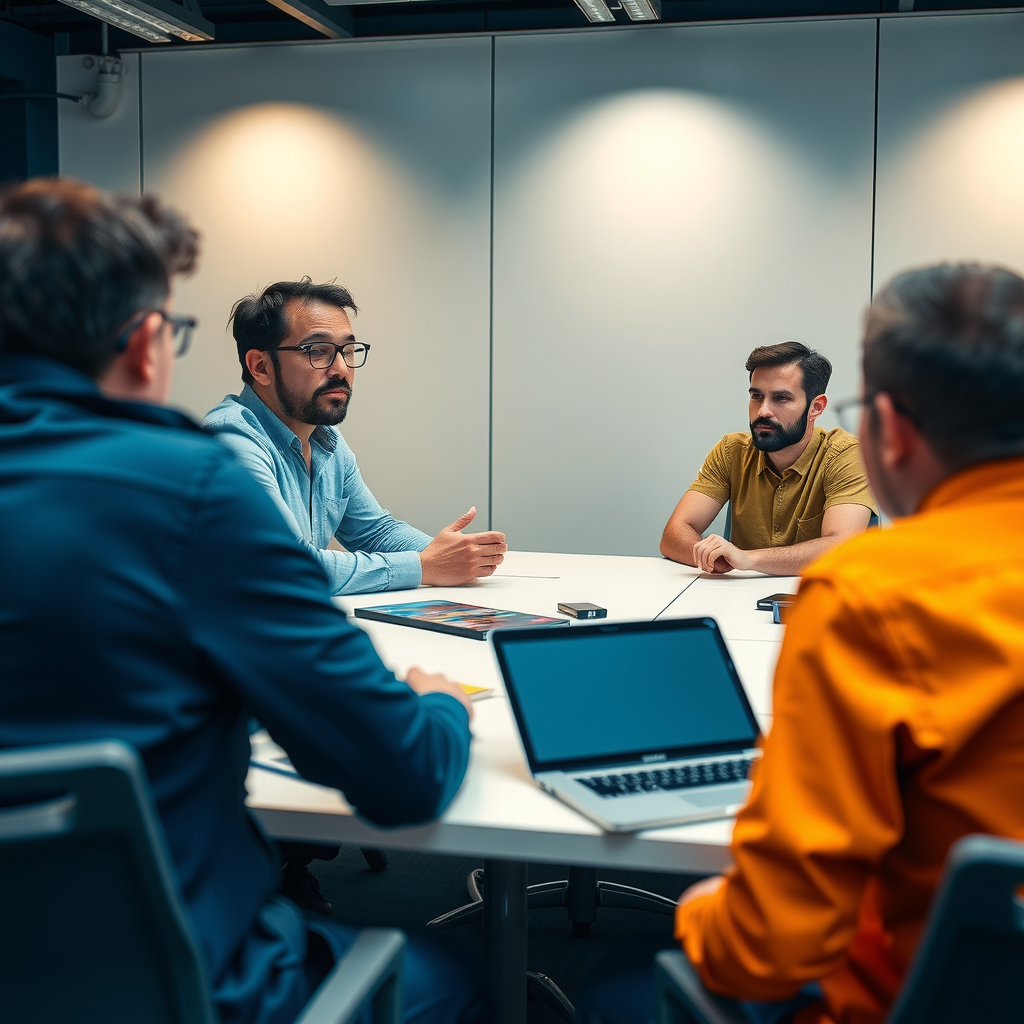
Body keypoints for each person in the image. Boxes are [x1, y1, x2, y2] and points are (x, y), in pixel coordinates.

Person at [0, 178, 490, 1024]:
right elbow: (404, 778)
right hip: (185, 981)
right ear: (145, 345)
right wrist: (440, 706)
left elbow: (370, 529)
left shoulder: (303, 451)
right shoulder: (193, 487)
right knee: (458, 975)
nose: (340, 367)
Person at [577, 262, 1024, 1024]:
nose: (763, 409)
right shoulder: (740, 454)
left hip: (911, 997)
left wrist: (702, 910)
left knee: (616, 984)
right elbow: (675, 531)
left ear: (889, 428)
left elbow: (771, 947)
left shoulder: (870, 598)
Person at [204, 280, 507, 596]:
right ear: (261, 367)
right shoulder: (231, 441)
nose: (341, 369)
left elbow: (375, 530)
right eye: (317, 351)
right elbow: (287, 566)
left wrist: (455, 555)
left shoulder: (325, 439)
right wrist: (425, 566)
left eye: (348, 351)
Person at [660, 342, 876, 575]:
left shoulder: (846, 454)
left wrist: (748, 559)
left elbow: (842, 547)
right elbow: (674, 533)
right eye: (756, 396)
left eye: (781, 398)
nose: (763, 411)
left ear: (815, 407)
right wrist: (712, 557)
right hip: (738, 593)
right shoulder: (731, 451)